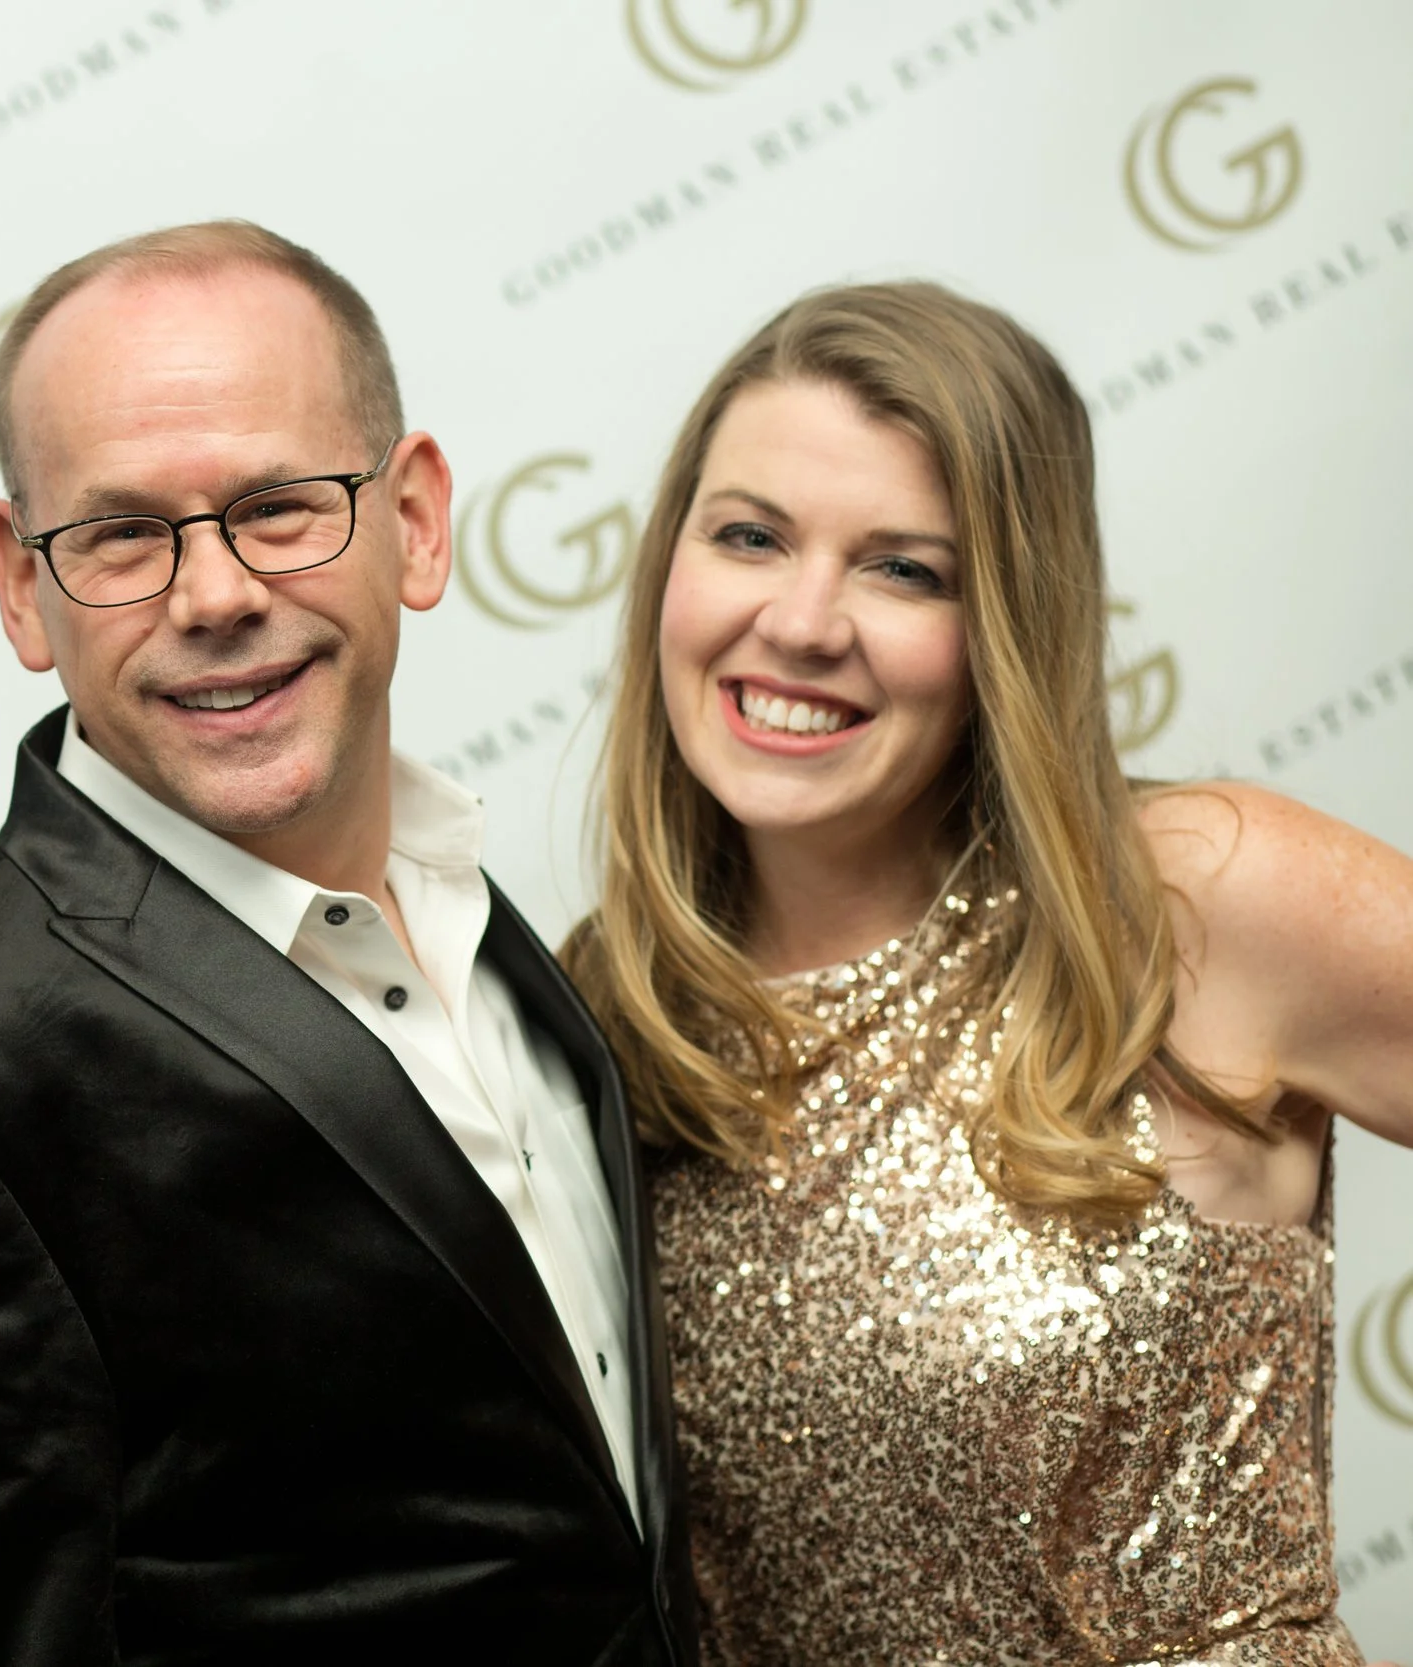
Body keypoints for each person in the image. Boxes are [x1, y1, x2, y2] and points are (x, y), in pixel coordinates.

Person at [0, 220, 695, 1666]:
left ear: (419, 520)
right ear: (21, 584)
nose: (215, 595)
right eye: (123, 535)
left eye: (279, 505)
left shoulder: (495, 931)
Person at [562, 280, 1413, 1665]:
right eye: (749, 536)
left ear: (1010, 621)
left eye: (905, 567)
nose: (803, 619)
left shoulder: (1187, 897)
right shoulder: (606, 1008)